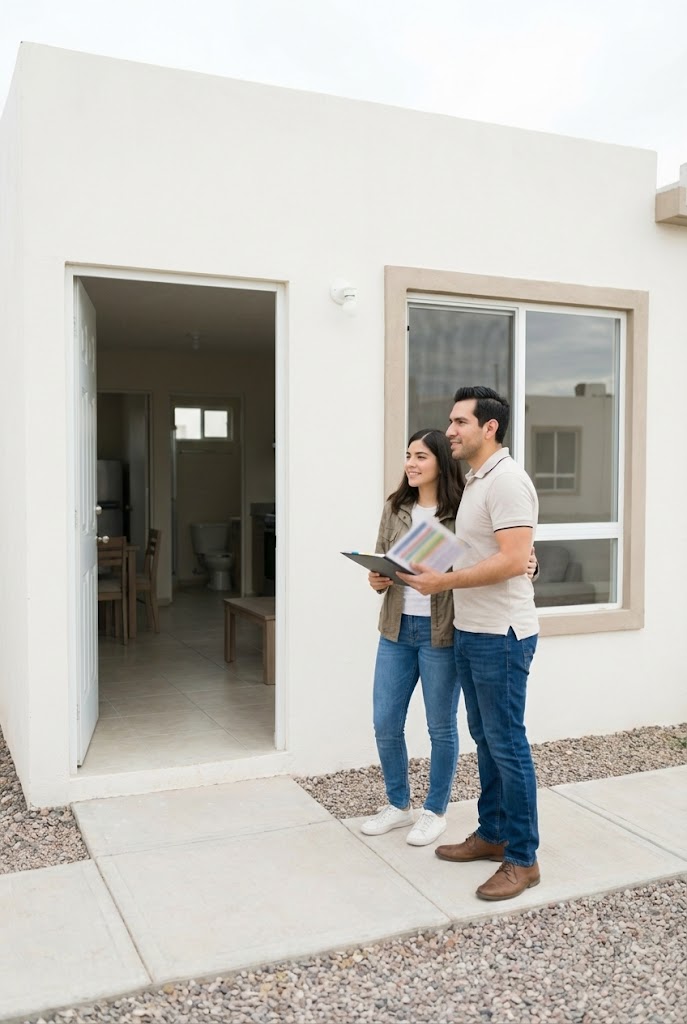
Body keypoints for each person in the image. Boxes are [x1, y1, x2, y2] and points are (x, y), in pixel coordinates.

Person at [399, 386, 540, 901]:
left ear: (489, 428)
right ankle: (493, 833)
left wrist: (442, 583)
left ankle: (523, 858)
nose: (449, 431)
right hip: (470, 630)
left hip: (501, 634)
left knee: (507, 745)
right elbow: (477, 549)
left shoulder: (508, 481)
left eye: (458, 422)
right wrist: (411, 569)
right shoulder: (477, 482)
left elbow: (512, 559)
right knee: (486, 740)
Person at [360, 428, 464, 846]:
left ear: (441, 461)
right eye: (408, 456)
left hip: (440, 631)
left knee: (441, 726)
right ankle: (399, 805)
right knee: (385, 721)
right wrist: (377, 578)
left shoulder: (461, 510)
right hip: (396, 628)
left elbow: (480, 561)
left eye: (421, 456)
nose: (411, 463)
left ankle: (435, 810)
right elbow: (382, 562)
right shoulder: (396, 506)